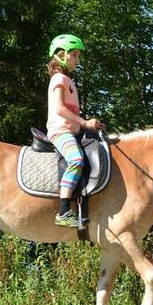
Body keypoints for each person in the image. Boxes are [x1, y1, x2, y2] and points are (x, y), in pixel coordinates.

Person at [45, 34, 103, 228]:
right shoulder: (59, 79)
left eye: (78, 56)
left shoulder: (68, 80)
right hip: (60, 131)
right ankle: (63, 212)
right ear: (62, 55)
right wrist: (85, 123)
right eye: (75, 55)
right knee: (76, 159)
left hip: (72, 131)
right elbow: (59, 109)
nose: (78, 60)